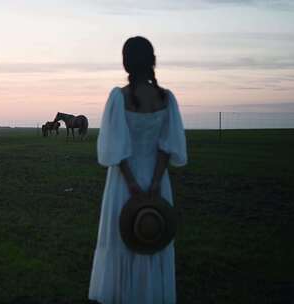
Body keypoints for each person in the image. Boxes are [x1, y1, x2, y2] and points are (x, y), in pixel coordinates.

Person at [89, 36, 187, 304]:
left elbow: (115, 149)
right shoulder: (166, 98)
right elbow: (169, 146)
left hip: (123, 183)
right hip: (157, 181)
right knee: (153, 234)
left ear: (126, 64)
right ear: (152, 61)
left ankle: (123, 295)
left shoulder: (118, 98)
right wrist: (155, 182)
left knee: (125, 237)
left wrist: (132, 184)